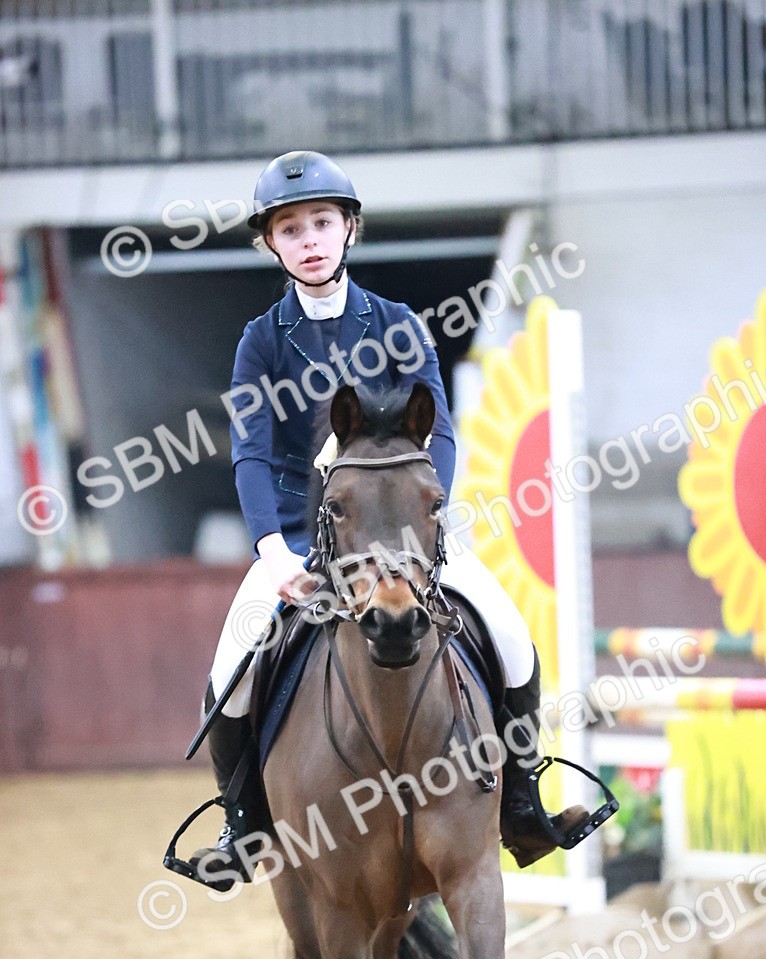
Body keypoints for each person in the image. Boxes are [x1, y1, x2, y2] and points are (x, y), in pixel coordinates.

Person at [191, 150, 598, 886]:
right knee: (229, 675)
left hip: (410, 538)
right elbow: (250, 454)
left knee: (510, 637)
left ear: (348, 229)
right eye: (291, 228)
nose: (309, 239)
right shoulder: (260, 341)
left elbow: (437, 432)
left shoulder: (401, 324)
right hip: (300, 539)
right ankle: (243, 826)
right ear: (272, 244)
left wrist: (423, 529)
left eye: (321, 221)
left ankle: (524, 806)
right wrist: (274, 556)